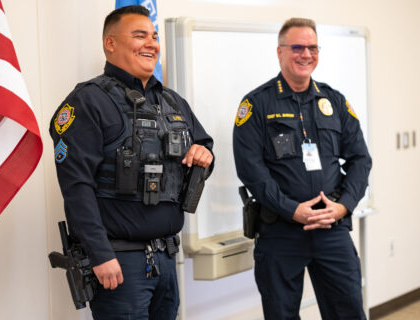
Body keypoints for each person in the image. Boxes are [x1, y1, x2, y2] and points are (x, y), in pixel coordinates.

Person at [49, 5, 213, 320]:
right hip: (120, 262)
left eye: (154, 36)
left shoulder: (171, 101)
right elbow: (76, 186)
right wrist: (100, 254)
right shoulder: (88, 101)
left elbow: (203, 144)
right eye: (140, 36)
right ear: (110, 43)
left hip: (166, 258)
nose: (151, 43)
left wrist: (205, 153)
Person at [233, 17, 372, 320]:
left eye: (312, 47)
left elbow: (361, 159)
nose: (306, 54)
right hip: (280, 232)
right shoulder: (256, 105)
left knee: (348, 312)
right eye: (297, 47)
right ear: (280, 52)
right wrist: (292, 209)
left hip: (331, 230)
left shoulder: (334, 102)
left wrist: (343, 206)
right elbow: (251, 171)